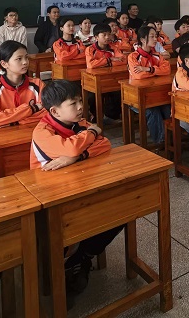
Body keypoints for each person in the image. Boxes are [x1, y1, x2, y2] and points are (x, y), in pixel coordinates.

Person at [31, 79, 118, 304]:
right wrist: (91, 134)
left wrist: (78, 156)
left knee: (120, 212)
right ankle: (59, 271)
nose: (81, 107)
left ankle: (81, 258)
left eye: (80, 101)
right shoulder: (42, 132)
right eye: (73, 103)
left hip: (80, 187)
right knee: (64, 231)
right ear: (54, 111)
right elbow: (71, 147)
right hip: (51, 198)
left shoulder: (78, 123)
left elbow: (105, 144)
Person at [0, 41, 47, 129]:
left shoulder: (38, 84)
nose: (25, 62)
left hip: (33, 131)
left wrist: (14, 122)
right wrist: (32, 109)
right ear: (4, 64)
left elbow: (46, 114)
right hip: (3, 135)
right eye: (19, 59)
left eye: (26, 57)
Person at [127, 26, 171, 145]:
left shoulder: (157, 55)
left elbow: (167, 70)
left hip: (155, 94)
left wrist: (148, 69)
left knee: (168, 108)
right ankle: (161, 141)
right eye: (152, 36)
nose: (155, 39)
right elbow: (139, 76)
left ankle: (172, 139)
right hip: (137, 96)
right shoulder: (133, 57)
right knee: (153, 111)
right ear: (142, 39)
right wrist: (157, 71)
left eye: (156, 36)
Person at [84, 23, 126, 121]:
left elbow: (123, 61)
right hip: (94, 80)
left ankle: (111, 117)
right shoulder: (90, 49)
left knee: (117, 91)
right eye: (104, 35)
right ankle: (96, 117)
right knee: (93, 96)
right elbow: (91, 65)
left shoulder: (114, 47)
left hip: (111, 78)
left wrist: (102, 63)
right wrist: (110, 59)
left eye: (109, 34)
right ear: (96, 37)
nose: (107, 37)